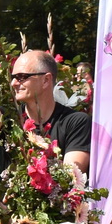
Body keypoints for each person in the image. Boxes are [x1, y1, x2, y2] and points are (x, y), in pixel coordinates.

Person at [10, 50, 90, 180]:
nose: (13, 83)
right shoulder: (9, 120)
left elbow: (69, 180)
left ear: (46, 80)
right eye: (12, 77)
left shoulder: (76, 122)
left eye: (22, 77)